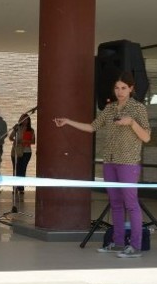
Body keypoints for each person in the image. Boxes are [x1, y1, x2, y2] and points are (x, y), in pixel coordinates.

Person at [54, 71, 151, 258]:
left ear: (131, 89)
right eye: (117, 88)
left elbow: (146, 137)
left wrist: (131, 123)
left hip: (128, 163)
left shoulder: (138, 109)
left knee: (131, 204)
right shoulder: (110, 108)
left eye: (124, 88)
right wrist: (68, 122)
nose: (119, 91)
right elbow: (92, 127)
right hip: (109, 161)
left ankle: (136, 246)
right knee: (115, 204)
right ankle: (118, 242)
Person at [9, 113, 35, 194]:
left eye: (27, 119)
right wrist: (16, 141)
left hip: (26, 151)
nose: (25, 121)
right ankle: (15, 187)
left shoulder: (31, 130)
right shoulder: (17, 128)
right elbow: (10, 137)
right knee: (16, 169)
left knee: (22, 169)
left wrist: (25, 141)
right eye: (23, 119)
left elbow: (33, 141)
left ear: (28, 121)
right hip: (17, 150)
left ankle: (21, 187)